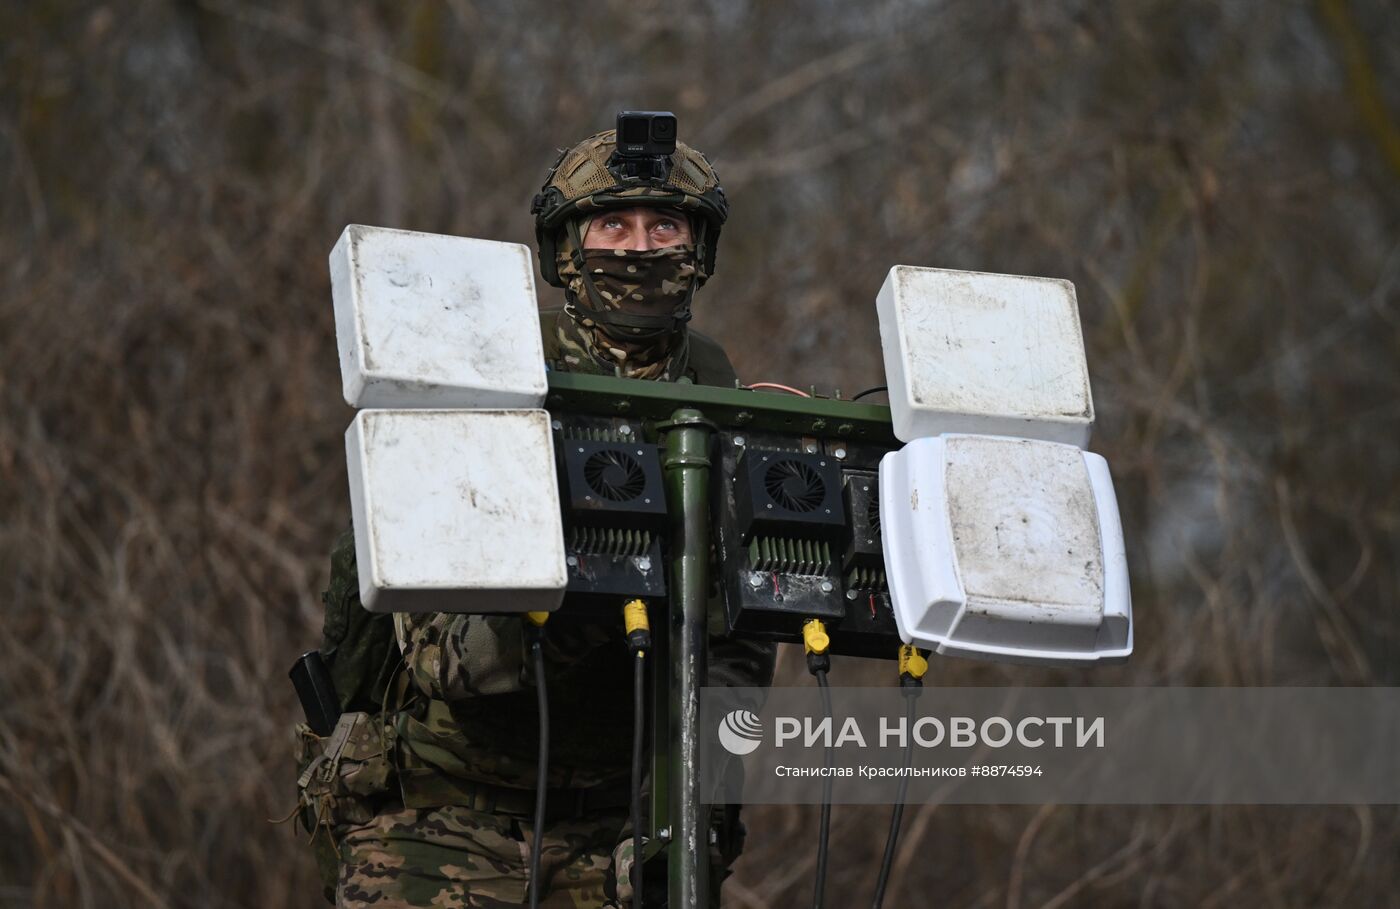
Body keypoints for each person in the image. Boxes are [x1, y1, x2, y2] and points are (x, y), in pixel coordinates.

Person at [298, 125, 777, 908]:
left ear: (701, 249)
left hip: (621, 826)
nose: (640, 247)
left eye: (666, 225)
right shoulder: (484, 376)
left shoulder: (723, 408)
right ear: (565, 250)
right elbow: (440, 659)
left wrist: (690, 814)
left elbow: (737, 656)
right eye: (612, 225)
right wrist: (589, 592)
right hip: (445, 816)